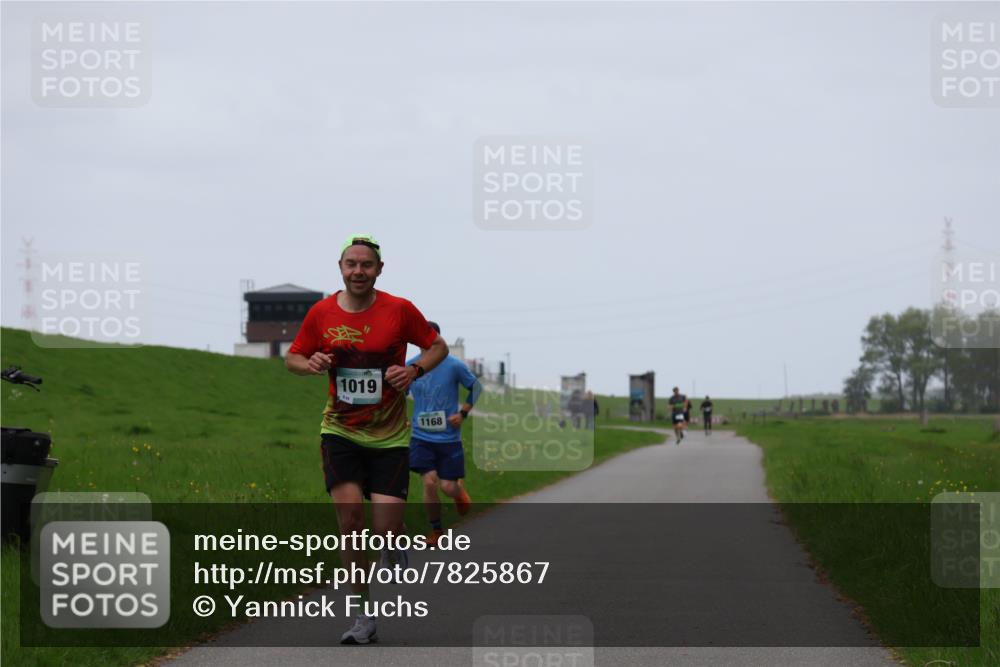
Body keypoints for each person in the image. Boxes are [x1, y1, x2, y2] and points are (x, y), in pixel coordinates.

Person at [285, 233, 448, 645]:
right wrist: (311, 364)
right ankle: (363, 616)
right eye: (351, 264)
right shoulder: (322, 312)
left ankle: (394, 541)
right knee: (351, 523)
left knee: (386, 527)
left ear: (379, 269)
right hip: (339, 431)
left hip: (390, 436)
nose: (359, 271)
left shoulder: (399, 309)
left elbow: (438, 346)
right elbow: (293, 356)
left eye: (367, 265)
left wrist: (413, 372)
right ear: (340, 268)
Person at [407, 321, 481, 547]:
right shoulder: (409, 366)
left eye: (432, 339)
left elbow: (476, 387)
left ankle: (458, 493)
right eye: (422, 339)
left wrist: (463, 413)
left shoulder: (454, 365)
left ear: (439, 340)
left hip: (449, 438)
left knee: (448, 487)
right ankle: (436, 530)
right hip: (421, 436)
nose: (427, 344)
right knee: (429, 482)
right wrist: (399, 417)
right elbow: (397, 393)